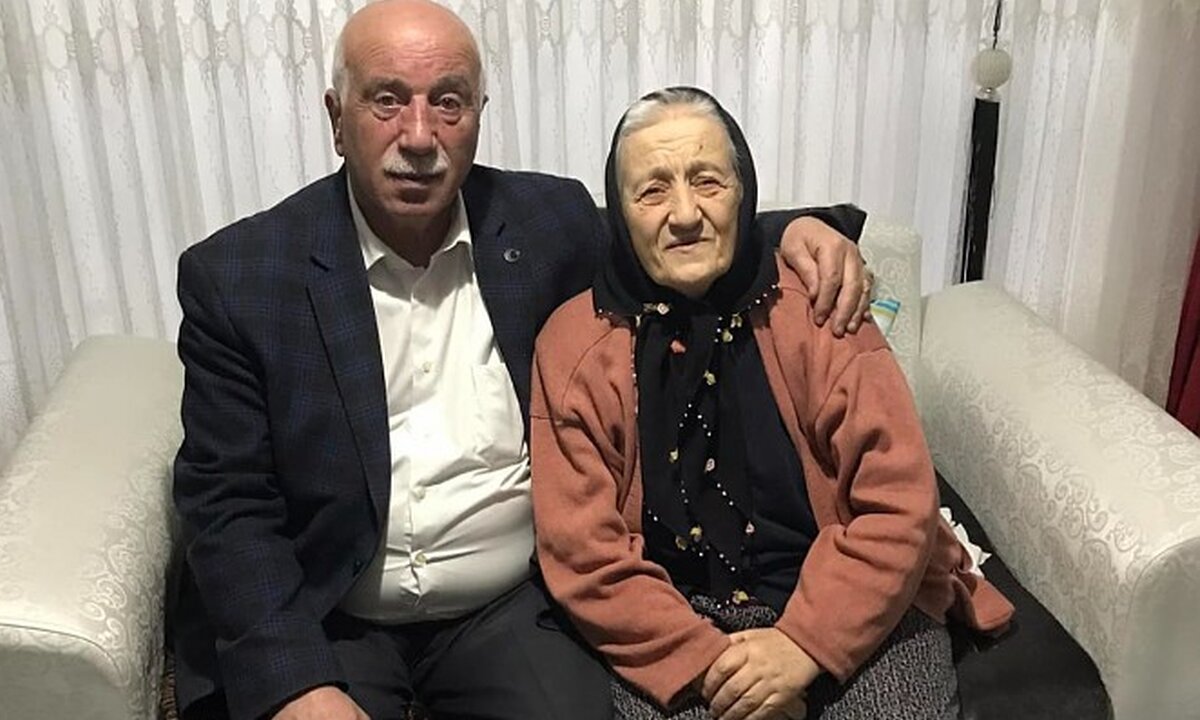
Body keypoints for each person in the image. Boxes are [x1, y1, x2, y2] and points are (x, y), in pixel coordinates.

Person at [170, 2, 872, 718]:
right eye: (387, 100)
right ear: (336, 118)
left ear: (478, 114)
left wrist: (800, 231)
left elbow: (668, 240)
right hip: (328, 610)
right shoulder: (241, 278)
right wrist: (295, 682)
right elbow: (227, 504)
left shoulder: (545, 222)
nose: (420, 136)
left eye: (448, 102)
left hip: (504, 610)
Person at [530, 86, 1015, 720]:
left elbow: (898, 500)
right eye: (652, 191)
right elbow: (581, 550)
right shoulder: (574, 343)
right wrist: (716, 669)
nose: (684, 213)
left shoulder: (820, 304)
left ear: (745, 192)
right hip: (672, 619)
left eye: (708, 181)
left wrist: (802, 646)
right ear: (619, 215)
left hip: (849, 588)